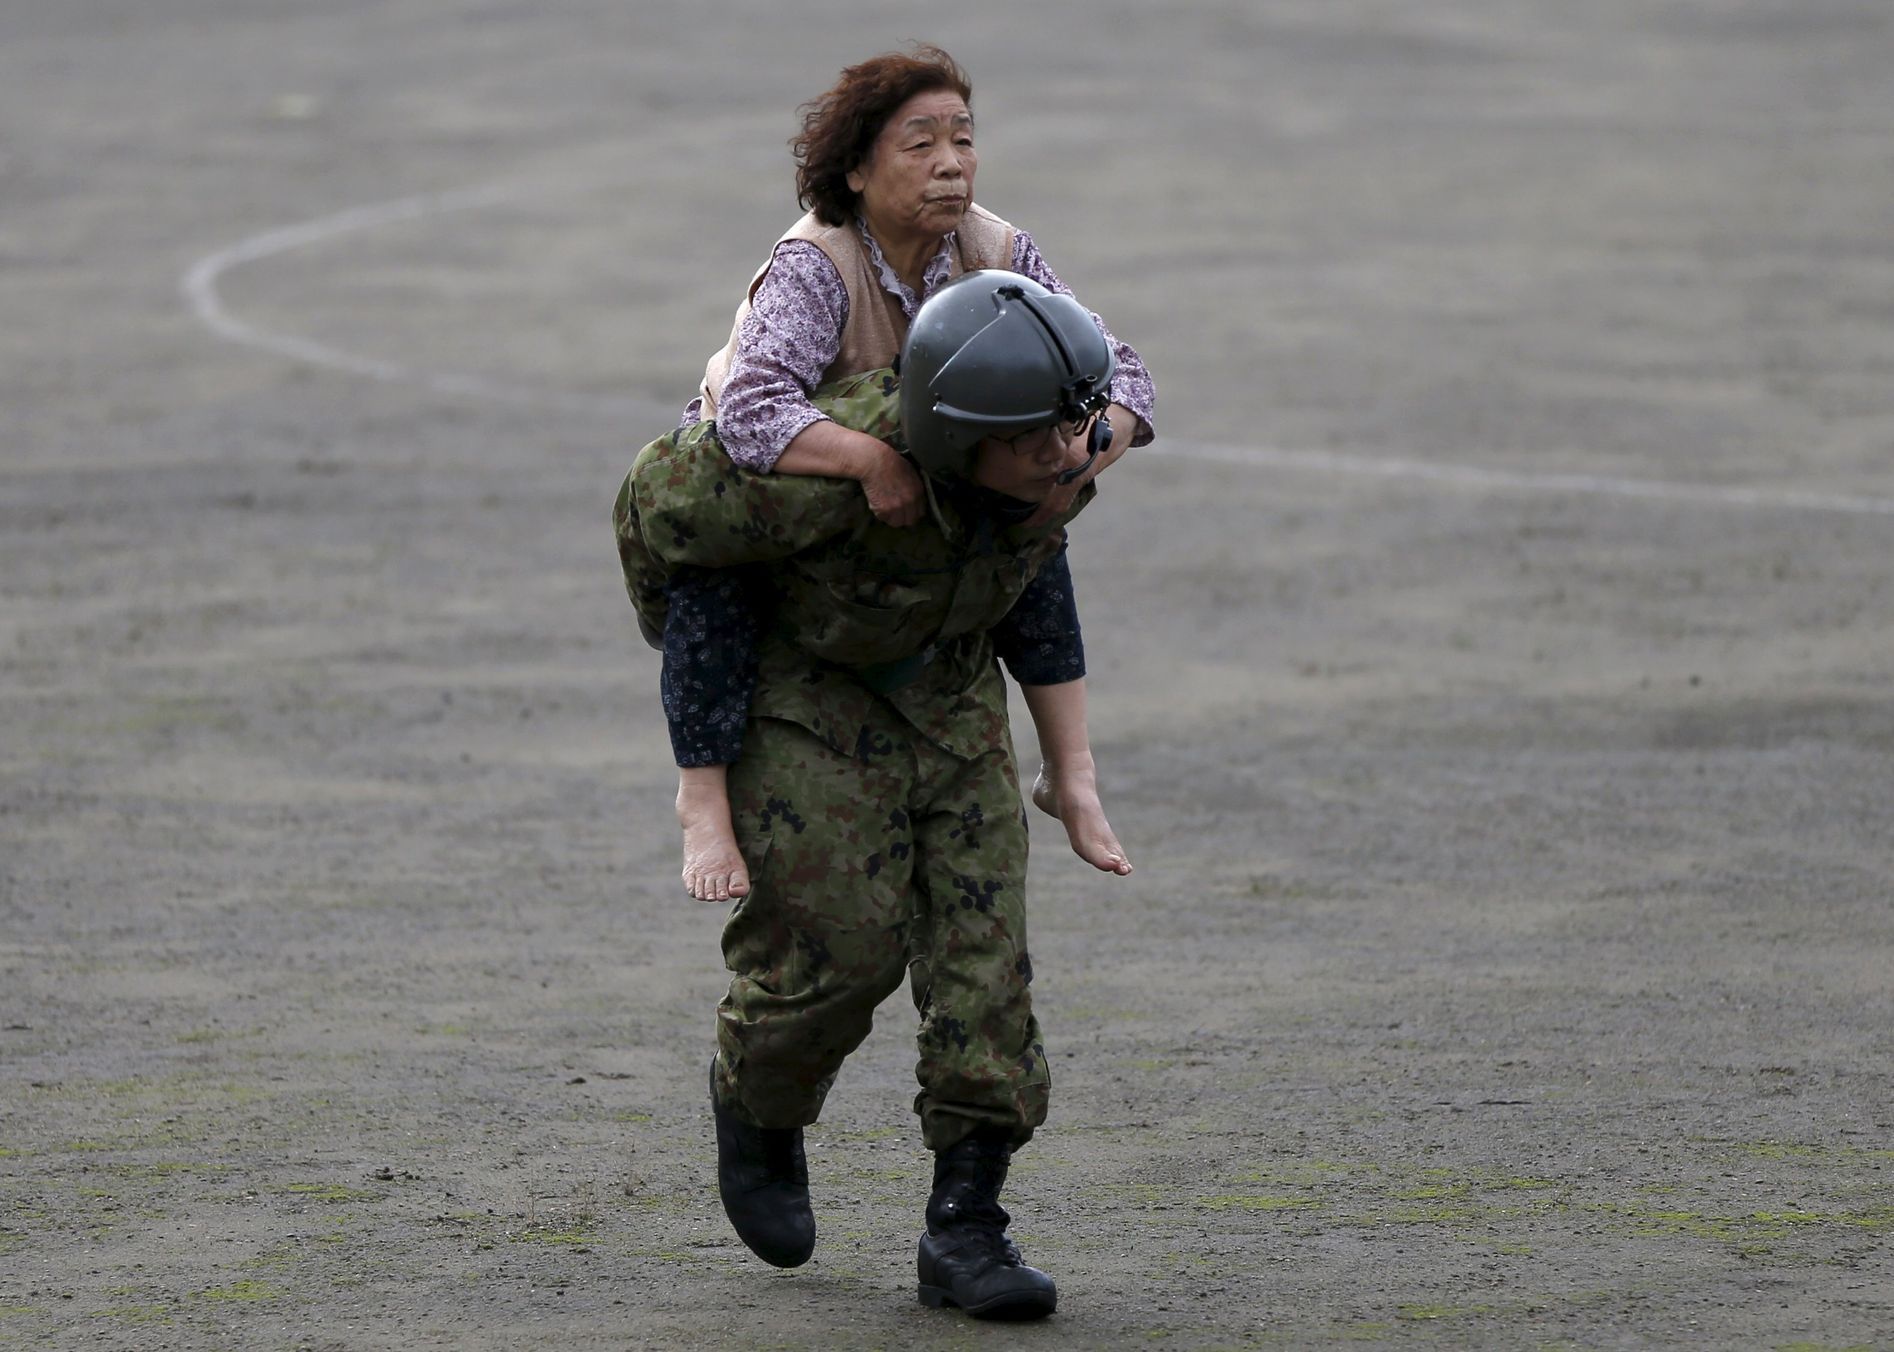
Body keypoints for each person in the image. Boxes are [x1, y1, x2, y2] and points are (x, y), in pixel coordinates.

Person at [613, 270, 1147, 1319]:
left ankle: (968, 1225)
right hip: (805, 693)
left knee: (983, 966)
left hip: (948, 697)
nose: (1064, 451)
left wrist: (1070, 775)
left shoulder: (1053, 454)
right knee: (838, 952)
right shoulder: (802, 478)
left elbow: (1035, 582)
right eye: (1034, 435)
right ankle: (757, 1099)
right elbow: (684, 573)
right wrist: (706, 789)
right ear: (952, 436)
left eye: (1071, 423)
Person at [669, 43, 1156, 905]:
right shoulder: (818, 263)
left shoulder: (997, 250)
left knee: (1039, 492)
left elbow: (1118, 365)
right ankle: (702, 795)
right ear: (857, 169)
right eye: (920, 143)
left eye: (963, 140)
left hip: (931, 467)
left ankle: (1070, 773)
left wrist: (1094, 446)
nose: (950, 164)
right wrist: (868, 459)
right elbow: (751, 411)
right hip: (780, 480)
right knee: (716, 559)